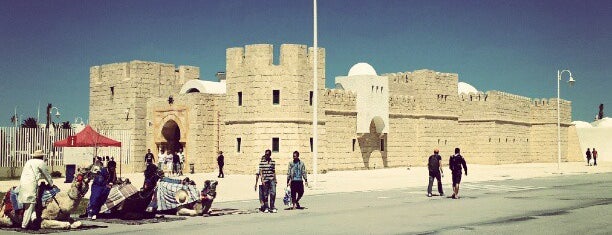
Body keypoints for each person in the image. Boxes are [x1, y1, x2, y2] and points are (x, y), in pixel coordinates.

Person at [18, 150, 53, 229]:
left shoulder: (28, 162)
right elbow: (46, 174)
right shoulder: (41, 163)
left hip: (23, 183)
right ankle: (24, 225)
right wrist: (51, 184)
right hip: (31, 184)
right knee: (30, 204)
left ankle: (34, 219)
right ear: (41, 156)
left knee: (29, 204)